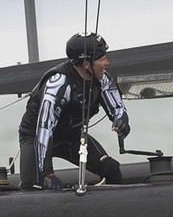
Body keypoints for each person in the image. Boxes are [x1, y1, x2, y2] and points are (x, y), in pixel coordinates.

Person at [18, 33, 130, 190]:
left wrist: (121, 121)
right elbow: (45, 127)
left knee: (111, 169)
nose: (107, 63)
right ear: (86, 64)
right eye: (101, 59)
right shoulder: (58, 83)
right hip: (36, 136)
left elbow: (118, 108)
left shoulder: (102, 79)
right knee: (34, 186)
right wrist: (48, 172)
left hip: (71, 136)